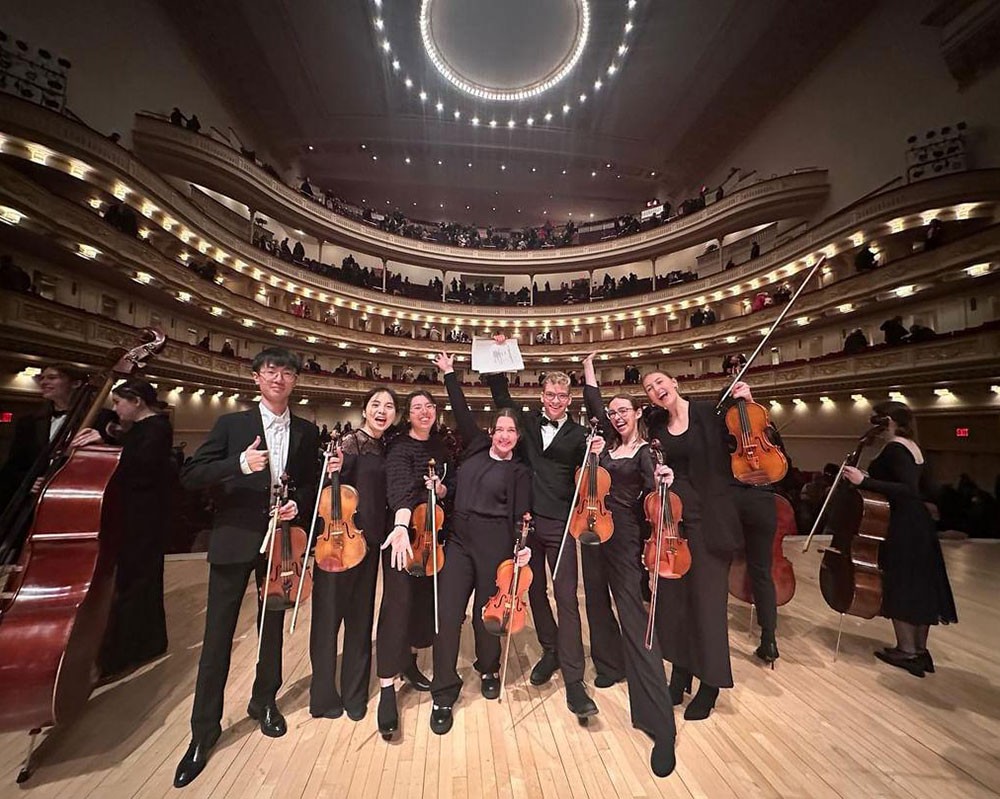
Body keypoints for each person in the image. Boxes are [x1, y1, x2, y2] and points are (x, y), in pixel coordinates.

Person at [173, 348, 319, 788]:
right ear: (256, 377)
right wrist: (238, 463)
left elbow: (309, 483)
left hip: (280, 543)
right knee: (217, 635)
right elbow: (191, 475)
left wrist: (299, 504)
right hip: (235, 538)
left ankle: (264, 701)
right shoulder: (232, 425)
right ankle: (204, 731)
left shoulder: (307, 431)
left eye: (288, 372)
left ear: (295, 381)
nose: (279, 378)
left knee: (271, 627)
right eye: (271, 371)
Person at [486, 336, 598, 721]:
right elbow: (500, 395)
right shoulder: (528, 424)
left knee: (566, 598)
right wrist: (499, 354)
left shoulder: (580, 435)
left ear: (569, 399)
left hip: (561, 524)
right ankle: (551, 649)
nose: (555, 401)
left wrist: (595, 451)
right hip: (528, 524)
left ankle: (575, 681)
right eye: (550, 394)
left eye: (562, 396)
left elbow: (593, 461)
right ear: (541, 395)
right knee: (532, 593)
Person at [580, 354, 676, 777]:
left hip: (624, 542)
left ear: (638, 413)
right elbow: (594, 408)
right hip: (592, 534)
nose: (617, 416)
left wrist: (665, 478)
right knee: (596, 607)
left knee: (636, 623)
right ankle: (610, 666)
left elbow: (658, 485)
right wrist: (588, 372)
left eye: (624, 411)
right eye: (612, 412)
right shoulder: (605, 446)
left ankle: (661, 726)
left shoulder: (643, 452)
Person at [427, 353, 532, 734]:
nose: (504, 435)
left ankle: (488, 669)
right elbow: (460, 408)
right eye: (499, 429)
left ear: (517, 437)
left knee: (486, 615)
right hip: (459, 541)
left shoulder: (519, 471)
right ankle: (443, 691)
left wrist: (523, 546)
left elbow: (523, 517)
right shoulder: (473, 446)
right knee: (447, 614)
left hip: (496, 544)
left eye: (511, 431)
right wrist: (449, 374)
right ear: (491, 431)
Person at [642, 370, 753, 720]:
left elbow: (744, 441)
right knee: (676, 606)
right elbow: (664, 465)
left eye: (660, 382)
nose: (657, 389)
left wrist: (747, 405)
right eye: (650, 388)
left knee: (707, 607)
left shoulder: (707, 413)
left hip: (709, 523)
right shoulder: (657, 426)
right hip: (676, 525)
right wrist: (663, 475)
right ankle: (680, 675)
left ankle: (710, 684)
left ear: (674, 383)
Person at [842, 401, 957, 677]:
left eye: (877, 420)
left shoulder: (895, 448)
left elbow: (906, 488)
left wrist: (864, 481)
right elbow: (920, 488)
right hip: (919, 524)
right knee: (920, 585)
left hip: (902, 525)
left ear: (889, 421)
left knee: (901, 584)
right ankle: (920, 651)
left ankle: (907, 651)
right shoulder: (914, 448)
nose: (875, 426)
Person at [71, 379, 174, 680]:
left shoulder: (157, 428)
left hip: (144, 517)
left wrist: (105, 444)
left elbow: (138, 467)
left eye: (118, 402)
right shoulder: (142, 428)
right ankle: (146, 643)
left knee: (136, 583)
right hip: (135, 514)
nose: (115, 408)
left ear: (137, 401)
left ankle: (129, 651)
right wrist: (109, 436)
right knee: (137, 582)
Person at [310, 387, 398, 722]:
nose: (382, 411)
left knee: (361, 621)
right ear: (364, 410)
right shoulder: (349, 444)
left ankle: (355, 693)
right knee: (327, 621)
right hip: (338, 544)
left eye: (389, 406)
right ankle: (322, 696)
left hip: (368, 544)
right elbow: (327, 494)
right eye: (375, 404)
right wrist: (331, 469)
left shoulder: (386, 446)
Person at [378, 389, 456, 739]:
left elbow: (448, 488)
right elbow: (399, 492)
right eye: (416, 408)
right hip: (403, 538)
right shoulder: (399, 448)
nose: (424, 412)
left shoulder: (440, 446)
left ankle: (408, 663)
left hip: (431, 539)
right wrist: (400, 525)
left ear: (435, 411)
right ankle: (386, 689)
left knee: (421, 605)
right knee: (397, 608)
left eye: (429, 406)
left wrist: (441, 491)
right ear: (408, 415)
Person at [0, 363, 87, 517]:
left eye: (52, 378)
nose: (43, 382)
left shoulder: (98, 419)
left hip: (78, 499)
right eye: (42, 378)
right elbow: (14, 466)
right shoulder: (28, 422)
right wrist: (29, 482)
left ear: (76, 383)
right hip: (33, 503)